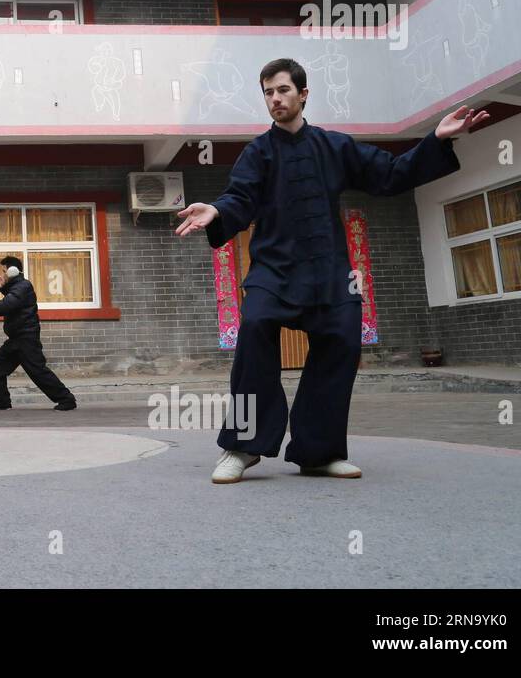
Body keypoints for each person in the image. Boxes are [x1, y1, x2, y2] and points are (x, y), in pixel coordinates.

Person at [175, 58, 485, 484]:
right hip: (274, 271)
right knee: (255, 326)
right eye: (267, 92)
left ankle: (318, 452)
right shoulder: (258, 153)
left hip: (330, 272)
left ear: (303, 94)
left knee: (341, 341)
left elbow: (390, 174)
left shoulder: (335, 146)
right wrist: (217, 209)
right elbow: (240, 197)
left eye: (282, 90)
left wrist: (436, 139)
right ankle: (242, 447)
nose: (275, 99)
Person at [0, 256, 77, 411]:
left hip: (26, 338)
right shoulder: (17, 286)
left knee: (37, 371)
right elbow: (13, 301)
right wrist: (4, 288)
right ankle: (2, 401)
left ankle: (66, 399)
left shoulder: (24, 286)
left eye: (4, 271)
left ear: (12, 271)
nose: (1, 274)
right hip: (16, 338)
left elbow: (7, 305)